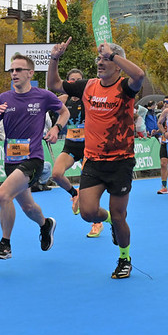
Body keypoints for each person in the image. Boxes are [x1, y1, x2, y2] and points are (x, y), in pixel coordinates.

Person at [49, 38, 145, 279]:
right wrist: (55, 58)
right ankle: (110, 220)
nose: (100, 63)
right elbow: (55, 84)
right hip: (94, 161)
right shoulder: (88, 85)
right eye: (99, 59)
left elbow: (140, 75)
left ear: (117, 64)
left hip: (121, 161)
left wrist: (113, 54)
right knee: (88, 212)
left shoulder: (125, 87)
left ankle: (124, 258)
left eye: (105, 59)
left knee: (121, 214)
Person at [0, 52, 68, 260]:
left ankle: (5, 245)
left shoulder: (43, 96)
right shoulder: (4, 98)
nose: (14, 73)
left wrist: (56, 129)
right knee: (28, 207)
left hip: (33, 159)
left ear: (30, 73)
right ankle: (45, 224)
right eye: (12, 70)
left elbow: (64, 112)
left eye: (18, 70)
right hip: (10, 160)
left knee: (3, 195)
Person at [47, 67, 103, 238]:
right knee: (56, 174)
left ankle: (97, 223)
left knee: (89, 187)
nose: (74, 83)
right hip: (71, 146)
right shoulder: (63, 99)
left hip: (89, 147)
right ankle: (74, 193)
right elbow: (44, 106)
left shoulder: (90, 99)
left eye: (78, 80)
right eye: (71, 80)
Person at [155, 96, 168, 194]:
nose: (165, 104)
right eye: (164, 102)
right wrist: (156, 131)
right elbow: (161, 126)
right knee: (163, 164)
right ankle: (164, 187)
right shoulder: (162, 114)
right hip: (164, 142)